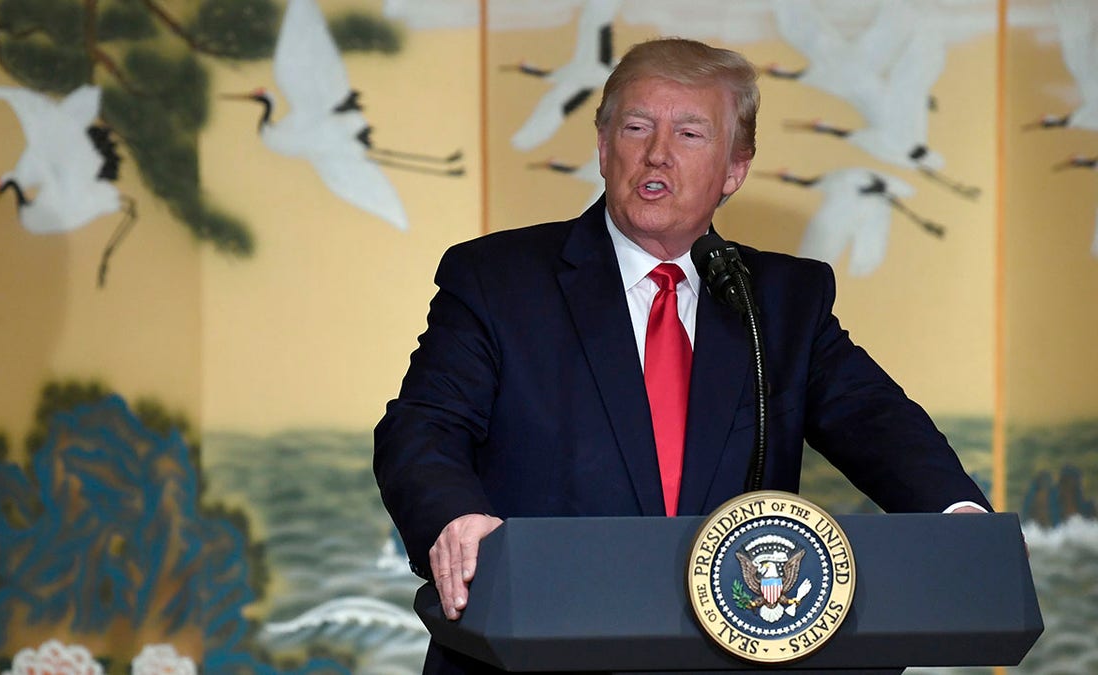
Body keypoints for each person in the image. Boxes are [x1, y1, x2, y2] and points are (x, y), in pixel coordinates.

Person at [373, 37, 989, 674]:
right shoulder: (497, 279)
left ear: (734, 169)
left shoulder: (780, 301)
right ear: (604, 147)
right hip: (532, 645)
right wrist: (455, 520)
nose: (657, 152)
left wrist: (958, 519)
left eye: (690, 133)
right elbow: (424, 427)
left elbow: (874, 419)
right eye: (636, 127)